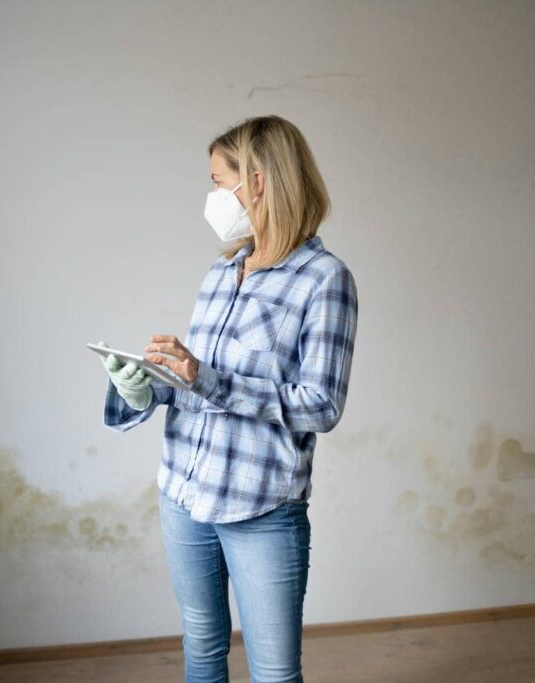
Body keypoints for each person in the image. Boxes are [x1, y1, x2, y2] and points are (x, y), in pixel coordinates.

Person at [99, 114, 358, 683]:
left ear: (258, 181)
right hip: (183, 491)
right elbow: (198, 389)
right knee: (201, 648)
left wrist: (207, 379)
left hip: (260, 505)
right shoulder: (221, 273)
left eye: (219, 180)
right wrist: (145, 385)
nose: (213, 195)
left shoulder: (324, 280)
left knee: (273, 673)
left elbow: (322, 404)